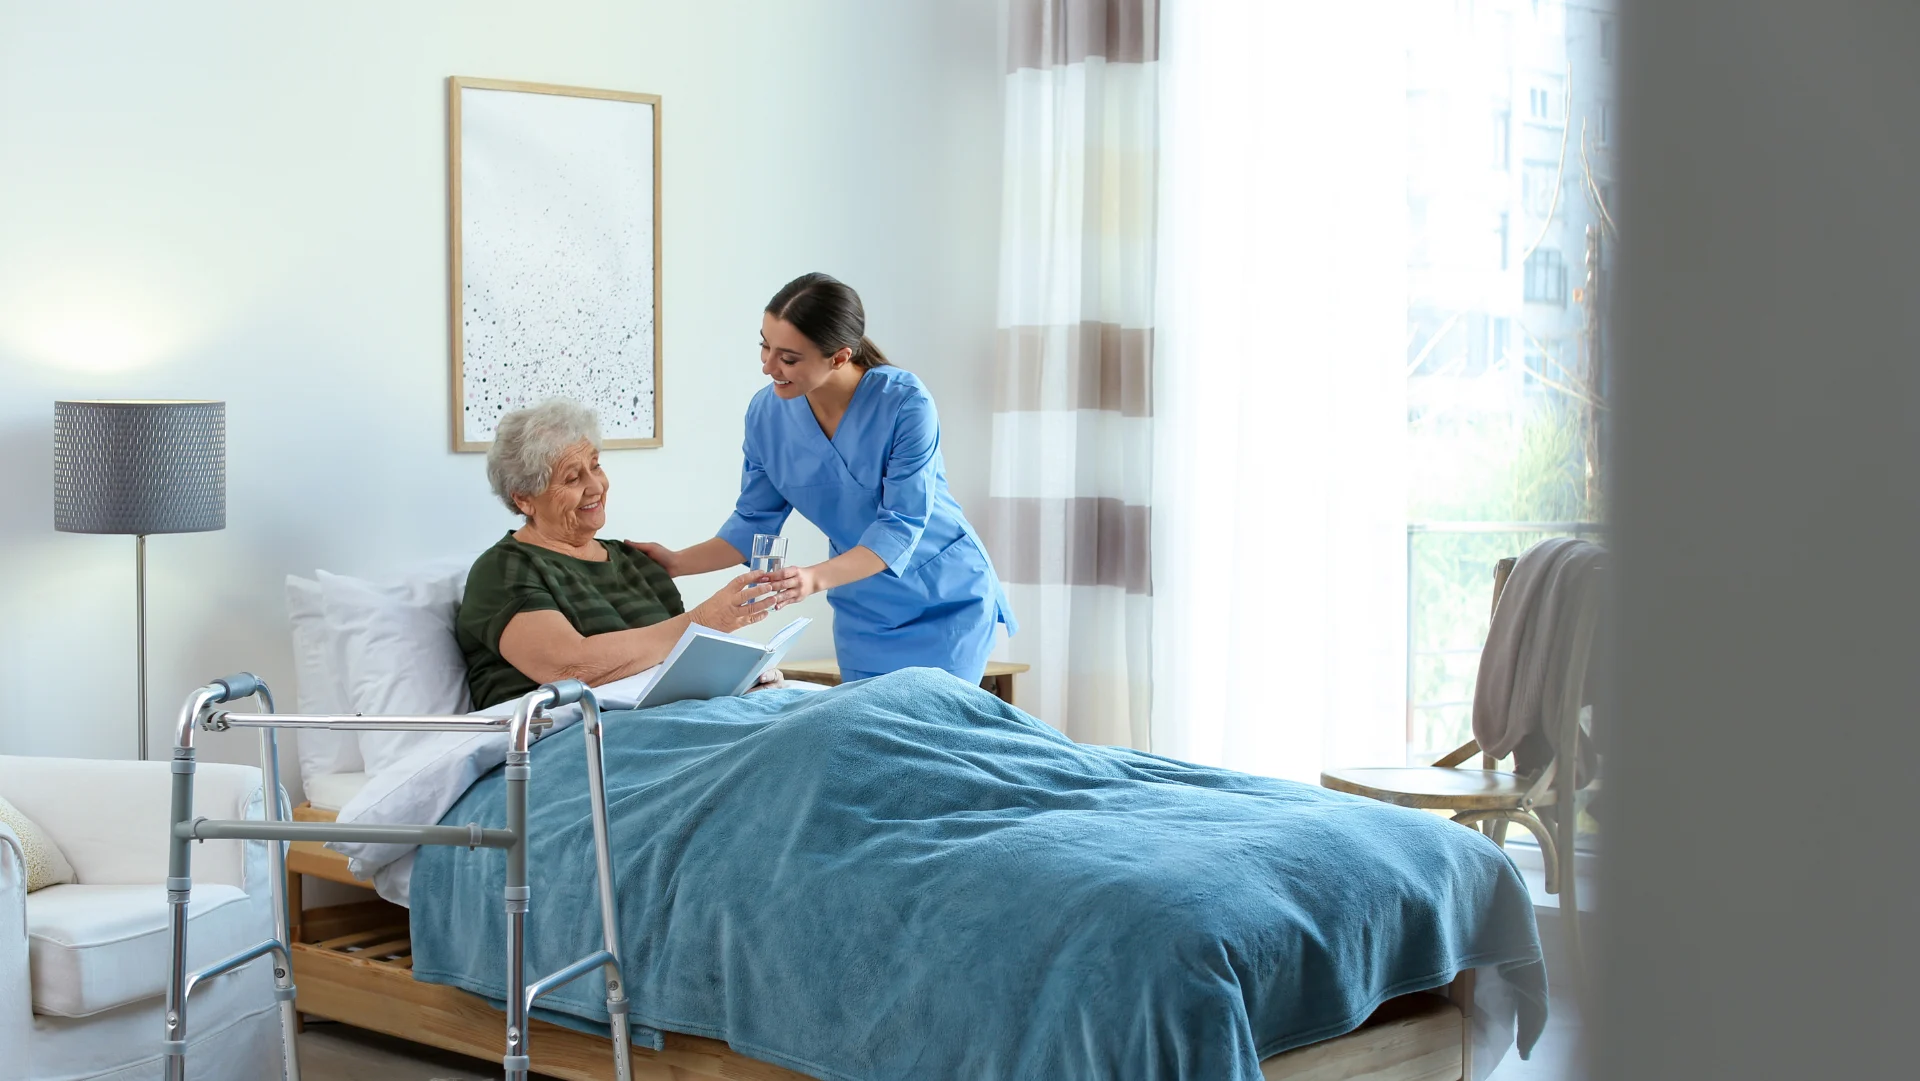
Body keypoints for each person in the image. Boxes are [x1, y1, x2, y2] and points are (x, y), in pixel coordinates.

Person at [633, 272, 1016, 685]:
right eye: (764, 346)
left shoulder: (905, 403)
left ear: (839, 357)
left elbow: (900, 526)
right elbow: (752, 524)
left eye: (788, 358)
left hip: (945, 600)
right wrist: (676, 563)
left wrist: (812, 578)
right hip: (863, 609)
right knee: (866, 724)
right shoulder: (766, 415)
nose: (768, 366)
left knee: (934, 721)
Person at [457, 399, 784, 710]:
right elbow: (570, 668)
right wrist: (702, 621)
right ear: (525, 499)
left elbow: (677, 667)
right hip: (573, 734)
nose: (596, 486)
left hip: (664, 721)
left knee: (803, 715)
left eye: (595, 466)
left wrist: (738, 680)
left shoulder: (636, 562)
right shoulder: (503, 569)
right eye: (572, 478)